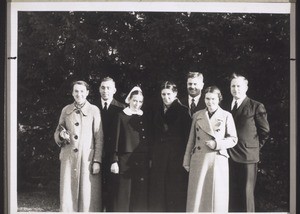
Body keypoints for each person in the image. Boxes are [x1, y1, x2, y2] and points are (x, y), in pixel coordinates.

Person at [183, 86, 237, 212]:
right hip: (199, 159)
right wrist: (186, 159)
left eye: (213, 99)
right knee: (196, 195)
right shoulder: (197, 115)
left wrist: (217, 143)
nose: (210, 102)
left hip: (217, 159)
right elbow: (191, 139)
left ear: (219, 99)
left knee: (217, 197)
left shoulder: (226, 115)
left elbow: (233, 139)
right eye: (207, 98)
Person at [54, 80, 103, 212]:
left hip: (87, 159)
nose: (79, 94)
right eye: (76, 91)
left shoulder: (94, 110)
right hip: (69, 158)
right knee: (68, 194)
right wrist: (61, 135)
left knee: (87, 197)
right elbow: (57, 131)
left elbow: (99, 137)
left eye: (82, 91)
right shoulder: (66, 110)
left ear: (87, 93)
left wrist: (97, 160)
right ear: (72, 93)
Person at [227, 73, 270, 212]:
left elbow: (265, 131)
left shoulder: (256, 106)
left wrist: (253, 148)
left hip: (248, 157)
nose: (236, 89)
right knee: (231, 193)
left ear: (246, 87)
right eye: (233, 86)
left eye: (239, 86)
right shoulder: (226, 106)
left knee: (246, 194)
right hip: (228, 156)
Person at [149, 81, 191, 212]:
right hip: (159, 156)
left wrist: (185, 157)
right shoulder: (156, 110)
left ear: (175, 94)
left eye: (169, 94)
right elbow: (153, 135)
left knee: (174, 190)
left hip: (176, 156)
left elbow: (187, 137)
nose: (166, 97)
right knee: (159, 189)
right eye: (163, 94)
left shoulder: (184, 111)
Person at [110, 86, 150, 211]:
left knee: (139, 193)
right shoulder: (121, 116)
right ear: (129, 100)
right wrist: (114, 160)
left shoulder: (144, 116)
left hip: (141, 159)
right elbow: (115, 139)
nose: (137, 104)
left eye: (140, 101)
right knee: (124, 193)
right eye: (135, 100)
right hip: (125, 159)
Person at [97, 76, 125, 211]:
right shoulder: (92, 107)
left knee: (112, 190)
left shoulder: (122, 109)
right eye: (103, 87)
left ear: (114, 90)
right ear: (99, 89)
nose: (105, 91)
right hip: (95, 155)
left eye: (108, 88)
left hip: (113, 156)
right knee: (95, 191)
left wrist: (116, 158)